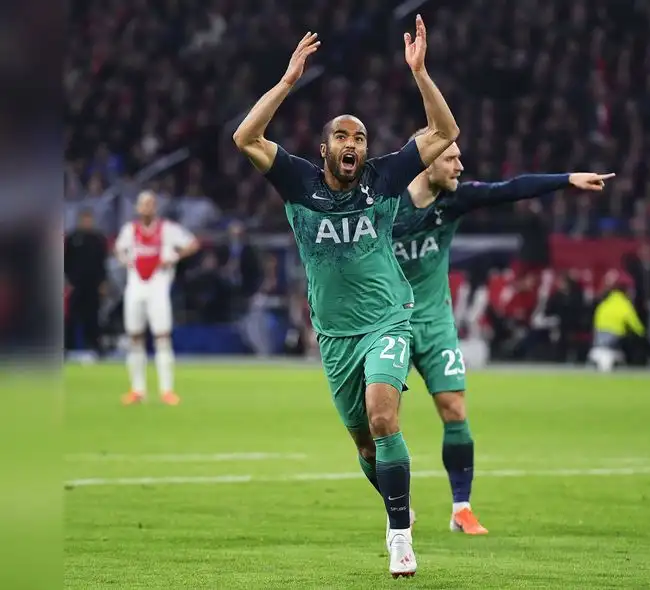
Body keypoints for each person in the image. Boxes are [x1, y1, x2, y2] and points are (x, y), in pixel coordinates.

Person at [231, 18, 459, 578]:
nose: (352, 144)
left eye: (359, 137)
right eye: (342, 136)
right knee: (364, 445)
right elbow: (245, 138)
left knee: (385, 419)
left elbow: (444, 131)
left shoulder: (383, 179)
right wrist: (288, 82)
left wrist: (421, 73)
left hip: (388, 319)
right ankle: (395, 514)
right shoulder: (297, 181)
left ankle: (401, 540)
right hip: (334, 337)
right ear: (326, 147)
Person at [392, 132, 613, 534]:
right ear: (426, 162)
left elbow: (511, 190)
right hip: (390, 323)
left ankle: (461, 508)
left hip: (436, 323)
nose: (460, 166)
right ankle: (397, 507)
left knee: (455, 409)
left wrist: (566, 179)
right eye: (451, 159)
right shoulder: (387, 206)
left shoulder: (455, 198)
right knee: (383, 422)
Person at [116, 191, 200, 405]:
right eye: (144, 204)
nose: (147, 208)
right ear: (137, 208)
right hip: (135, 289)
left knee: (162, 338)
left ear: (156, 207)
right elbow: (118, 249)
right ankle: (137, 390)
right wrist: (126, 260)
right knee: (135, 338)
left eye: (151, 204)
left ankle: (166, 390)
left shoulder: (168, 229)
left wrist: (174, 257)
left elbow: (192, 243)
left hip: (158, 290)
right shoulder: (129, 230)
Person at [64, 209, 108, 356]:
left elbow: (103, 263)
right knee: (71, 316)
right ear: (79, 220)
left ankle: (96, 347)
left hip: (93, 284)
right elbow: (65, 261)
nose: (87, 222)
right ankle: (66, 347)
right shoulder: (72, 238)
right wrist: (67, 281)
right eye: (84, 219)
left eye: (89, 219)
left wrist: (103, 282)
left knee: (93, 316)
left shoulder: (99, 239)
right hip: (75, 284)